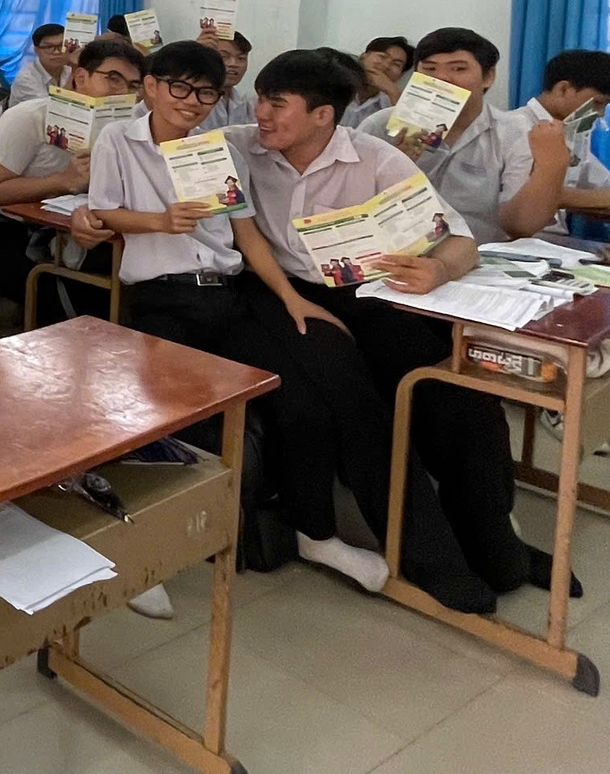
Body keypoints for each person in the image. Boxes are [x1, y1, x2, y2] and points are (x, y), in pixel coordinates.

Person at [225, 48, 534, 611]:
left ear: (323, 115)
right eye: (261, 100)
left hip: (368, 292)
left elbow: (458, 239)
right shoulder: (240, 147)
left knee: (456, 393)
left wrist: (438, 269)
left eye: (277, 103)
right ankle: (429, 557)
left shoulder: (374, 159)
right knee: (355, 402)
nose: (261, 114)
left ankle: (496, 544)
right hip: (282, 292)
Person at [82, 39, 303, 618]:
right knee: (158, 417)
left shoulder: (217, 150)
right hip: (162, 295)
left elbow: (246, 233)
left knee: (278, 394)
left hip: (226, 292)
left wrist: (291, 297)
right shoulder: (118, 140)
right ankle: (142, 550)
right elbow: (104, 211)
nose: (191, 101)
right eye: (179, 87)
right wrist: (160, 221)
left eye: (206, 92)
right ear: (151, 87)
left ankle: (262, 524)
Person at [0, 38, 145, 309]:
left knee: (122, 284)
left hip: (62, 230)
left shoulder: (123, 127)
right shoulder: (28, 116)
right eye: (113, 79)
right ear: (81, 77)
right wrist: (64, 181)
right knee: (64, 297)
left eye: (132, 86)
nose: (123, 93)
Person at [356, 27, 557, 243]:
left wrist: (552, 166)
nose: (441, 78)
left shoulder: (514, 132)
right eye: (429, 69)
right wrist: (392, 169)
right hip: (394, 251)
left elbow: (518, 225)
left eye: (458, 69)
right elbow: (350, 204)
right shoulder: (379, 126)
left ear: (488, 77)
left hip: (480, 253)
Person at [514, 50, 610, 217]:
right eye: (597, 102)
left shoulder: (575, 129)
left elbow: (596, 181)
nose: (601, 114)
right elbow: (534, 194)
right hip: (523, 231)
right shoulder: (517, 127)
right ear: (563, 89)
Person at [341, 35, 415, 127]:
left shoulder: (390, 102)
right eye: (382, 57)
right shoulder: (337, 81)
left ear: (401, 75)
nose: (386, 65)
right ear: (363, 57)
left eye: (396, 64)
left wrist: (393, 92)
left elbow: (408, 130)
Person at [194, 31, 255, 132]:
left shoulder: (248, 105)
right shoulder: (193, 101)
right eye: (224, 57)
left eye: (241, 58)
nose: (233, 64)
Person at [8, 23, 68, 104]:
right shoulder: (26, 78)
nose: (57, 52)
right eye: (49, 47)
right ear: (36, 50)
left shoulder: (69, 70)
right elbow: (52, 108)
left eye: (61, 46)